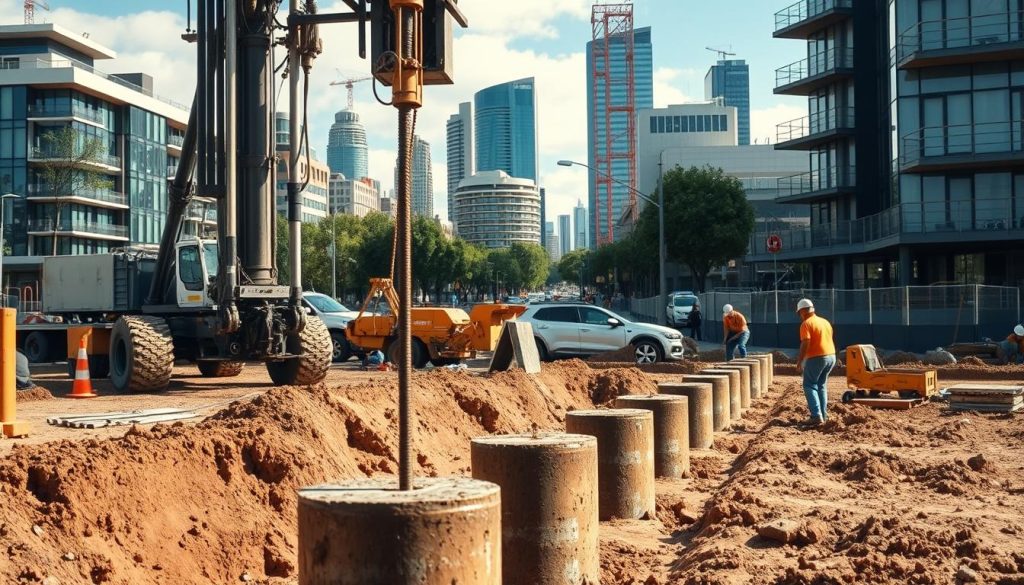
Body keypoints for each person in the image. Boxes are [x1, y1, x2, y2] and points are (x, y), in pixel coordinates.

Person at [794, 298, 836, 426]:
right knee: (821, 386)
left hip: (817, 357)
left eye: (799, 313)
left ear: (802, 311)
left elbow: (805, 342)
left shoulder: (806, 324)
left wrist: (800, 361)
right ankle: (823, 415)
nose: (800, 316)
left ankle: (816, 415)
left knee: (809, 385)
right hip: (831, 356)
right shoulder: (825, 322)